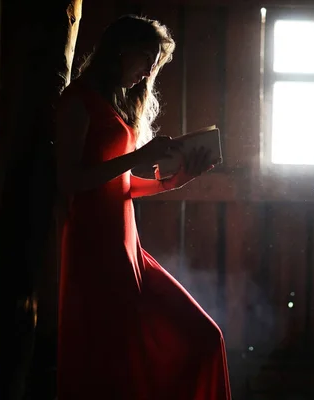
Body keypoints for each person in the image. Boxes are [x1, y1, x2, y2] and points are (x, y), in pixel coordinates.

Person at [54, 14, 231, 400]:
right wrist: (140, 155)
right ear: (120, 49)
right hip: (94, 249)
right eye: (147, 58)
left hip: (129, 249)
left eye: (156, 63)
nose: (149, 70)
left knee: (204, 336)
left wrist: (173, 180)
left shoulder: (112, 104)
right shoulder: (78, 101)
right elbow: (70, 180)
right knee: (113, 364)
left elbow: (123, 187)